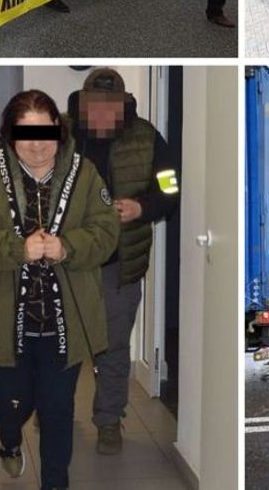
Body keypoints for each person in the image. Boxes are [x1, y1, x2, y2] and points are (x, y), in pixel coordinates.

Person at [0, 89, 118, 490]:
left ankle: (55, 483)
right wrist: (15, 249)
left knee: (58, 410)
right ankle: (9, 440)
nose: (38, 144)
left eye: (45, 132)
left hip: (64, 322)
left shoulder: (84, 172)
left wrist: (68, 246)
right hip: (4, 321)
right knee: (11, 407)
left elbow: (106, 231)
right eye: (26, 134)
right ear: (9, 134)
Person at [65, 69, 180, 456]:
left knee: (112, 350)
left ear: (123, 104)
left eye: (109, 106)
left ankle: (109, 420)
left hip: (119, 267)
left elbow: (171, 186)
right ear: (82, 103)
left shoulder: (146, 136)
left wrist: (142, 206)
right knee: (59, 349)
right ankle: (54, 415)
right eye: (93, 105)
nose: (100, 114)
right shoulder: (59, 132)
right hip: (66, 265)